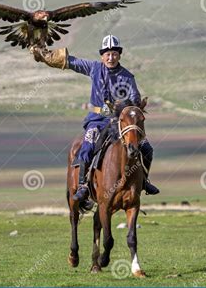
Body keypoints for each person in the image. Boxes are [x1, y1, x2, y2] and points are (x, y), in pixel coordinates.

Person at [31, 34, 159, 210]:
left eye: (114, 53)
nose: (111, 57)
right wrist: (46, 55)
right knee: (88, 146)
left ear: (119, 55)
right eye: (107, 54)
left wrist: (129, 107)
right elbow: (72, 62)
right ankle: (83, 186)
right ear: (102, 56)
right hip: (97, 121)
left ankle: (144, 180)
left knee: (146, 148)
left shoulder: (127, 77)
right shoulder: (94, 68)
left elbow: (135, 98)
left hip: (120, 123)